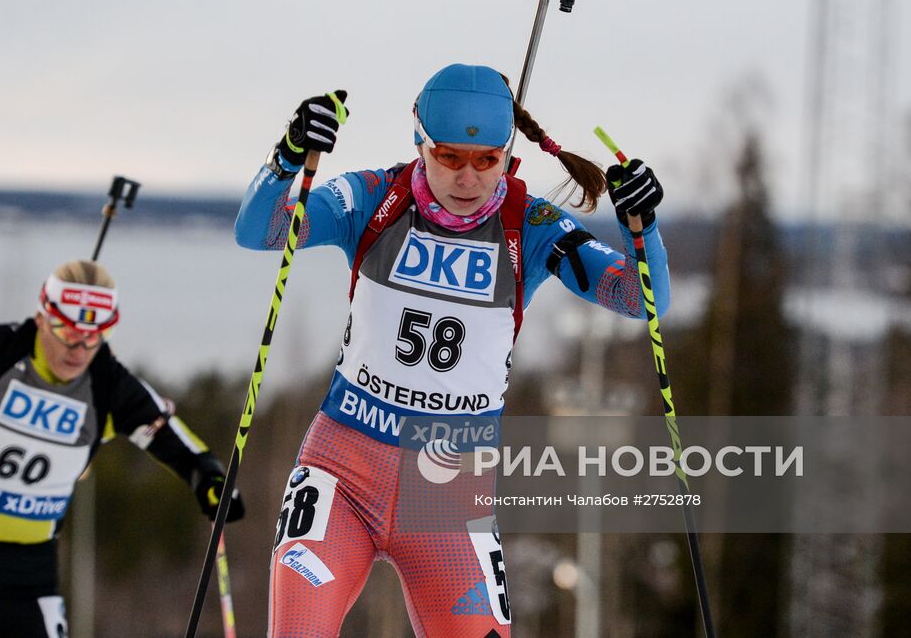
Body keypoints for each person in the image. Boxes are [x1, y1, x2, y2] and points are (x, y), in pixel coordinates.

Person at [235, 64, 671, 637]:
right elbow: (260, 230)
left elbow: (642, 300)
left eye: (487, 160)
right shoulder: (374, 198)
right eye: (449, 157)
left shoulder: (531, 224)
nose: (468, 177)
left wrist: (642, 227)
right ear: (420, 144)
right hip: (344, 468)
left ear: (508, 155)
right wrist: (288, 157)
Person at [0, 259, 244, 638]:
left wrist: (210, 481)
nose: (78, 348)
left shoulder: (109, 386)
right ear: (43, 316)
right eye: (66, 329)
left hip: (26, 578)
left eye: (95, 335)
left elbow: (188, 452)